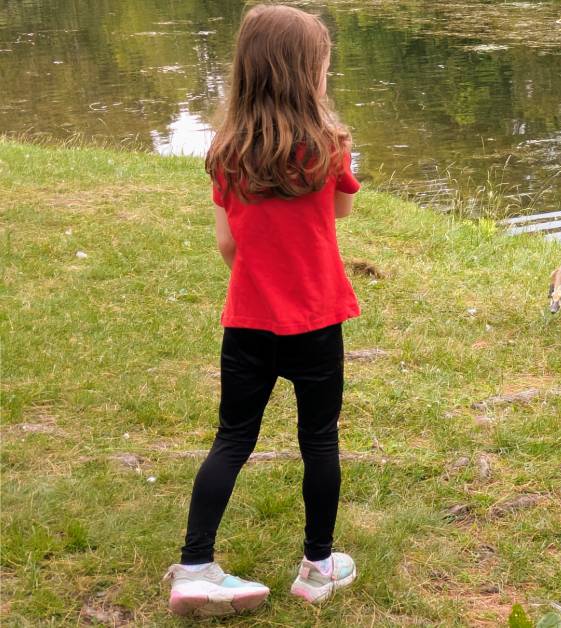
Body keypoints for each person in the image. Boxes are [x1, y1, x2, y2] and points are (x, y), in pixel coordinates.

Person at [162, 5, 360, 617]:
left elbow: (228, 243)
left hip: (247, 322)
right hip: (317, 320)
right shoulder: (330, 146)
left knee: (232, 439)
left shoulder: (227, 151)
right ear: (308, 74)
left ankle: (195, 566)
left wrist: (258, 279)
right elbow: (340, 215)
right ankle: (318, 567)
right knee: (319, 439)